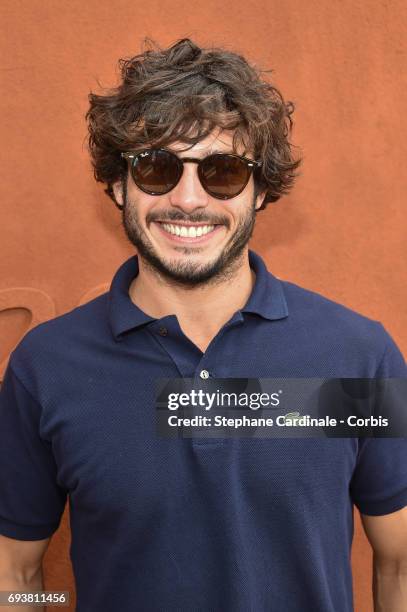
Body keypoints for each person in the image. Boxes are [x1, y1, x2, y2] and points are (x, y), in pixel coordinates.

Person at [0, 37, 406, 612]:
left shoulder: (357, 356)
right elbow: (13, 571)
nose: (188, 200)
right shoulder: (47, 366)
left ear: (261, 190)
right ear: (118, 184)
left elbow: (400, 560)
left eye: (223, 171)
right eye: (156, 167)